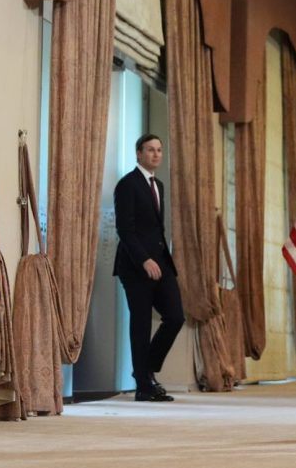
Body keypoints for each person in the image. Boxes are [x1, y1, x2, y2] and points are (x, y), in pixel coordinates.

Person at [113, 134, 185, 402]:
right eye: (150, 150)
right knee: (141, 324)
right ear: (138, 153)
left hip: (161, 262)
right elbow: (125, 229)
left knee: (175, 317)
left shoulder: (159, 185)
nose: (156, 154)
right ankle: (144, 386)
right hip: (135, 265)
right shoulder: (127, 185)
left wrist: (159, 258)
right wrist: (144, 259)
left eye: (159, 150)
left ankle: (145, 370)